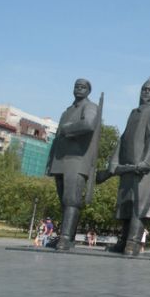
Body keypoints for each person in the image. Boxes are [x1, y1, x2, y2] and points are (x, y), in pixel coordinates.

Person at [104, 78, 150, 256]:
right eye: (143, 89)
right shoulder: (134, 112)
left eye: (149, 90)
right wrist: (114, 161)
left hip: (143, 169)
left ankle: (133, 242)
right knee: (126, 205)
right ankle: (123, 240)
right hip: (127, 167)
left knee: (140, 206)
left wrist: (146, 161)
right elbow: (123, 138)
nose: (145, 92)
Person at [45, 79, 101, 250]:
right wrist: (50, 162)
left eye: (83, 87)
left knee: (71, 199)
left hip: (77, 160)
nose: (79, 89)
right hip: (60, 160)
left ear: (89, 91)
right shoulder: (67, 111)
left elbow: (88, 124)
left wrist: (67, 129)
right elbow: (57, 138)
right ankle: (65, 236)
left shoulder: (90, 107)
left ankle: (66, 237)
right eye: (77, 86)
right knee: (63, 201)